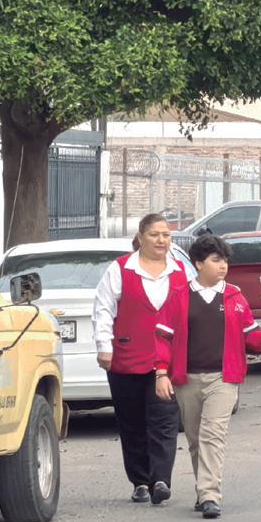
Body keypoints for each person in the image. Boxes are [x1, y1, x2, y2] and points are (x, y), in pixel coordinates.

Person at [153, 235, 261, 518]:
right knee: (195, 439)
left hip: (224, 378)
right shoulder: (178, 295)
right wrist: (161, 373)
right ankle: (202, 491)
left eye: (225, 260)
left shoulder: (234, 296)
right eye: (216, 260)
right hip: (187, 379)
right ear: (198, 263)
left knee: (212, 435)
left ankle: (209, 495)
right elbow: (163, 338)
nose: (223, 266)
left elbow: (250, 336)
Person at [93, 212, 189, 505]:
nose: (161, 240)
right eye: (154, 235)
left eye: (166, 235)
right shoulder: (121, 269)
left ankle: (161, 479)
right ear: (141, 237)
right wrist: (104, 345)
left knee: (164, 420)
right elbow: (103, 309)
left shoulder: (180, 271)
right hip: (127, 356)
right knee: (132, 421)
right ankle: (140, 481)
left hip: (166, 361)